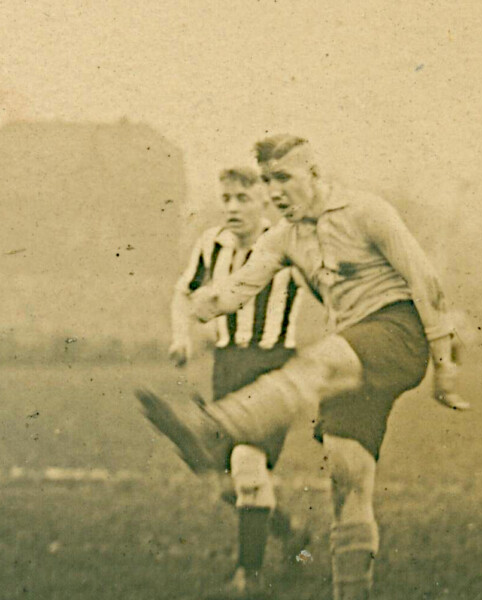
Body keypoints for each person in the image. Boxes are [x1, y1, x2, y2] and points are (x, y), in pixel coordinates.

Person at [137, 136, 468, 600]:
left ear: (314, 173)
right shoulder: (283, 236)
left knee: (320, 360)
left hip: (396, 333)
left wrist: (444, 362)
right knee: (348, 479)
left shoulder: (366, 211)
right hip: (351, 350)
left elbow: (423, 278)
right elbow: (238, 288)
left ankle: (215, 429)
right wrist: (203, 305)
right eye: (268, 181)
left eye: (283, 179)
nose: (274, 192)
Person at [168, 166, 308, 599]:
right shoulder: (212, 244)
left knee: (247, 466)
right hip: (226, 368)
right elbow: (184, 291)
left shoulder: (291, 243)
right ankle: (290, 530)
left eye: (242, 198)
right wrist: (182, 336)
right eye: (225, 198)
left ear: (265, 201)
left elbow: (327, 288)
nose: (231, 207)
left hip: (273, 368)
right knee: (235, 482)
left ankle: (247, 577)